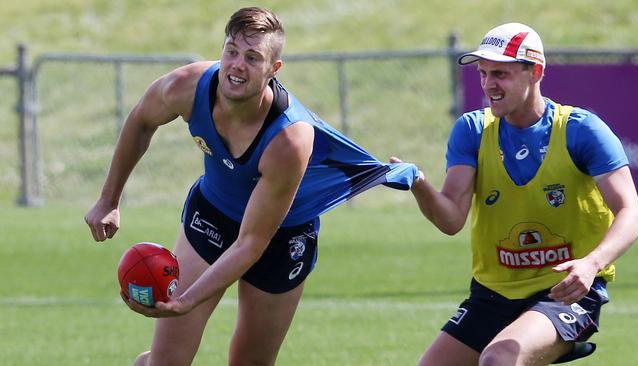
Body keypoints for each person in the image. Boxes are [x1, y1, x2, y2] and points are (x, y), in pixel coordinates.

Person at [84, 7, 418, 366]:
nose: (236, 66)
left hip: (281, 239)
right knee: (166, 362)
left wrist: (187, 300)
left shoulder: (290, 140)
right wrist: (109, 199)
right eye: (231, 51)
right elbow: (140, 120)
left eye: (252, 57)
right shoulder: (186, 86)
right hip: (212, 215)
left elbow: (250, 243)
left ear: (274, 69)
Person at [394, 22, 638, 365]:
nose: (488, 85)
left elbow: (630, 214)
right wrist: (419, 184)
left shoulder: (581, 130)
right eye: (483, 73)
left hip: (566, 293)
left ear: (535, 72)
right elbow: (451, 219)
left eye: (500, 73)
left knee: (498, 359)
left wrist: (591, 264)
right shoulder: (472, 130)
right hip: (492, 295)